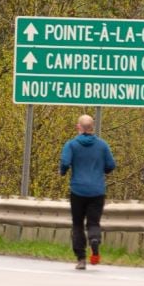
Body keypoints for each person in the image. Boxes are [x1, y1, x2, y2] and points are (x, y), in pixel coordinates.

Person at [60, 114, 116, 270]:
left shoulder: (71, 145)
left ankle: (81, 259)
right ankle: (95, 240)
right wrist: (101, 170)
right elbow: (111, 165)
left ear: (79, 127)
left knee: (77, 224)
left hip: (77, 190)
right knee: (93, 222)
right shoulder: (102, 145)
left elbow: (65, 162)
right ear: (92, 128)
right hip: (97, 190)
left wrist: (63, 171)